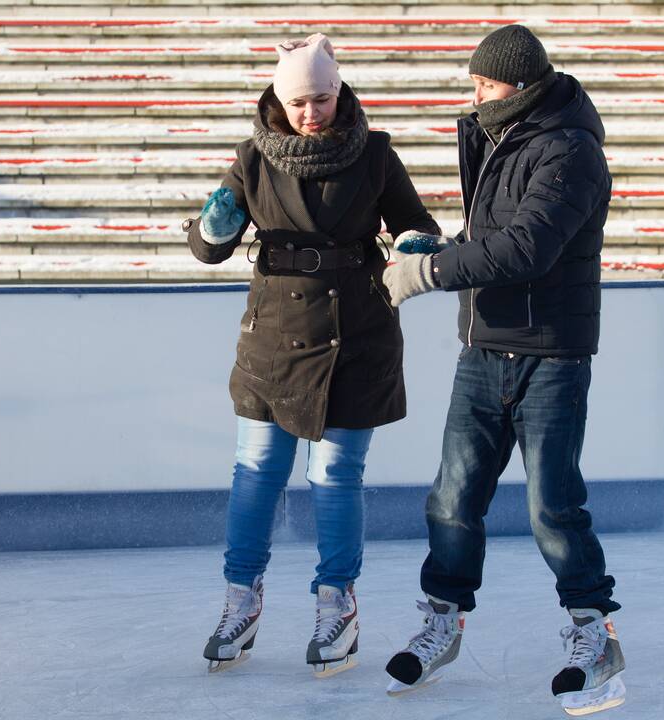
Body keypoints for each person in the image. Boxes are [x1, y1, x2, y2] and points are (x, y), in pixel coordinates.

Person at [379, 25, 626, 714]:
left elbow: (526, 249)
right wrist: (440, 246)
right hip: (484, 347)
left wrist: (429, 272)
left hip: (550, 352)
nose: (475, 94)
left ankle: (592, 632)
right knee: (453, 497)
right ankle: (442, 621)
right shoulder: (500, 138)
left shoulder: (572, 150)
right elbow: (490, 242)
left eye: (485, 84)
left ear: (518, 86)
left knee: (552, 505)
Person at [183, 33, 441, 678]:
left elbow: (419, 224)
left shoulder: (375, 153)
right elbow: (209, 248)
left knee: (335, 477)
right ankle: (240, 598)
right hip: (273, 334)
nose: (310, 113)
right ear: (277, 96)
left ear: (339, 93)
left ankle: (337, 601)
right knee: (257, 471)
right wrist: (212, 224)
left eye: (322, 99)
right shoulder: (252, 158)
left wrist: (411, 243)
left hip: (354, 334)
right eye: (298, 101)